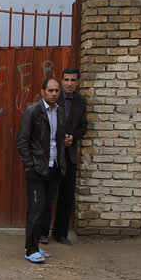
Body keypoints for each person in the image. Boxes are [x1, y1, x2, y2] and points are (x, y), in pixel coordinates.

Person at [16, 78, 66, 263]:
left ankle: (36, 244)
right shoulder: (33, 111)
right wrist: (28, 165)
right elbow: (22, 140)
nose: (54, 94)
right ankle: (30, 250)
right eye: (50, 90)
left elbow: (56, 138)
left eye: (56, 91)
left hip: (53, 167)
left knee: (45, 209)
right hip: (37, 168)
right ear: (42, 91)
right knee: (36, 209)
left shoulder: (59, 112)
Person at [45, 67, 87, 245]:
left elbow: (83, 126)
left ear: (78, 82)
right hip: (53, 154)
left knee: (66, 195)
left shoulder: (81, 101)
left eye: (73, 80)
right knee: (48, 194)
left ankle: (60, 232)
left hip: (69, 155)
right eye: (67, 80)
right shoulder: (53, 97)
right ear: (62, 81)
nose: (70, 83)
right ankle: (42, 232)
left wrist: (73, 137)